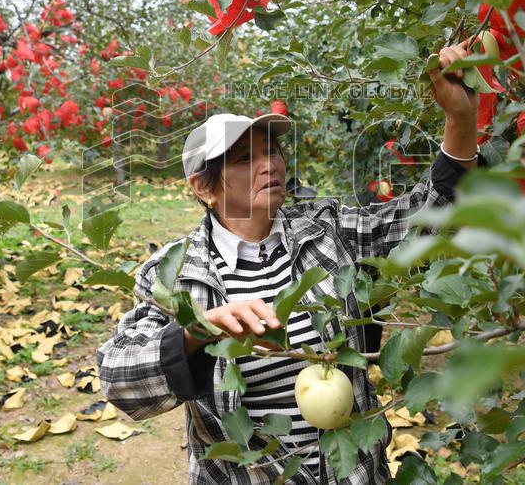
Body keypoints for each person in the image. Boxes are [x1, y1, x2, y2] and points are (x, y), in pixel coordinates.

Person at [96, 40, 485, 484]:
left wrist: (460, 119)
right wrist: (197, 331)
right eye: (245, 159)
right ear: (203, 188)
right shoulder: (177, 275)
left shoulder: (327, 231)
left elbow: (429, 218)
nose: (269, 165)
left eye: (272, 152)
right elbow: (120, 381)